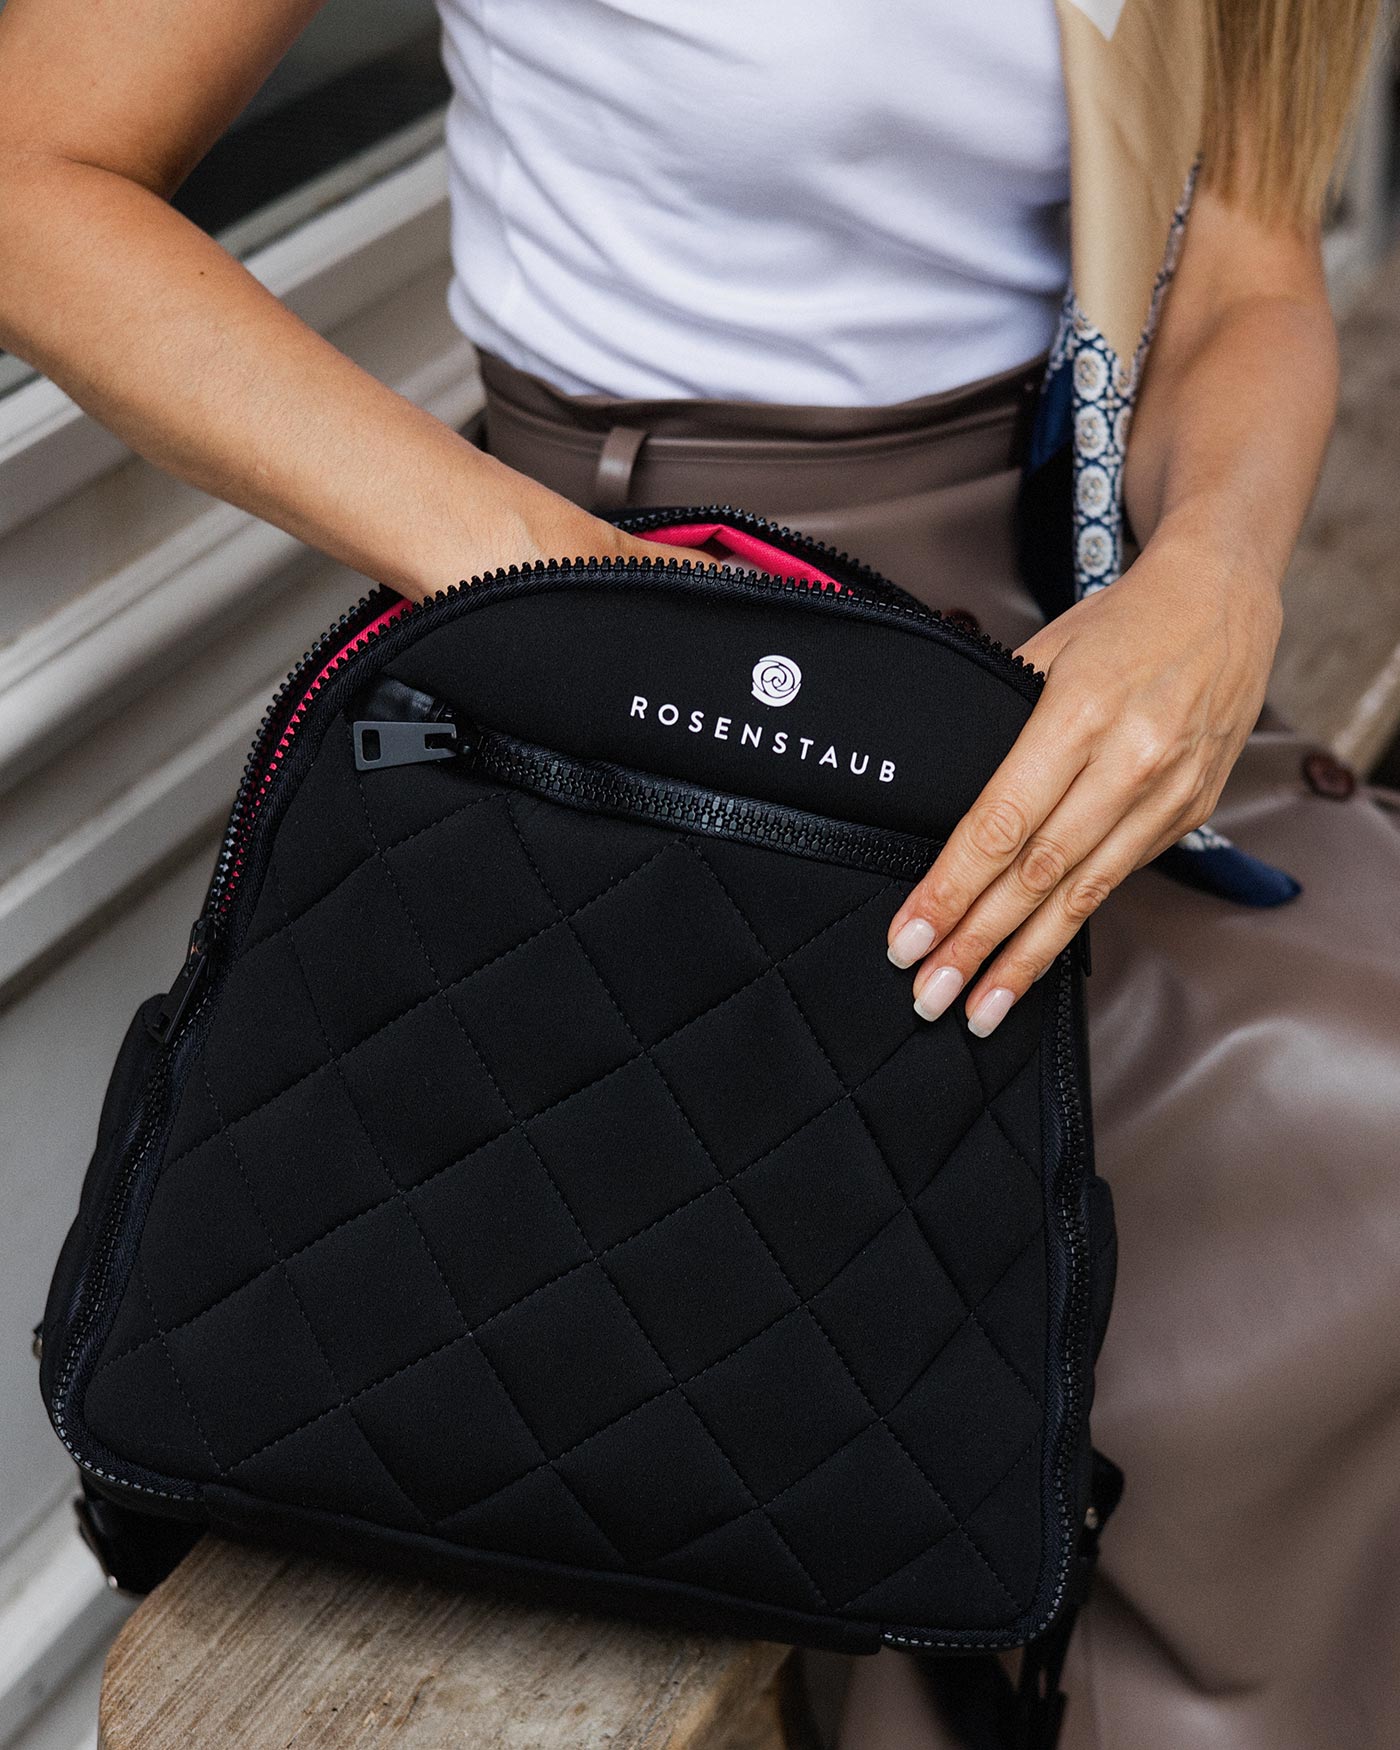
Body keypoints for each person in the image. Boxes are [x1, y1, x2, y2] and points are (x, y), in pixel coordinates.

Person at [1, 1, 1396, 1744]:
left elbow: (1250, 260)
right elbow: (29, 171)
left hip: (1051, 605)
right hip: (646, 655)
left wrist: (1217, 583)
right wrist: (563, 600)